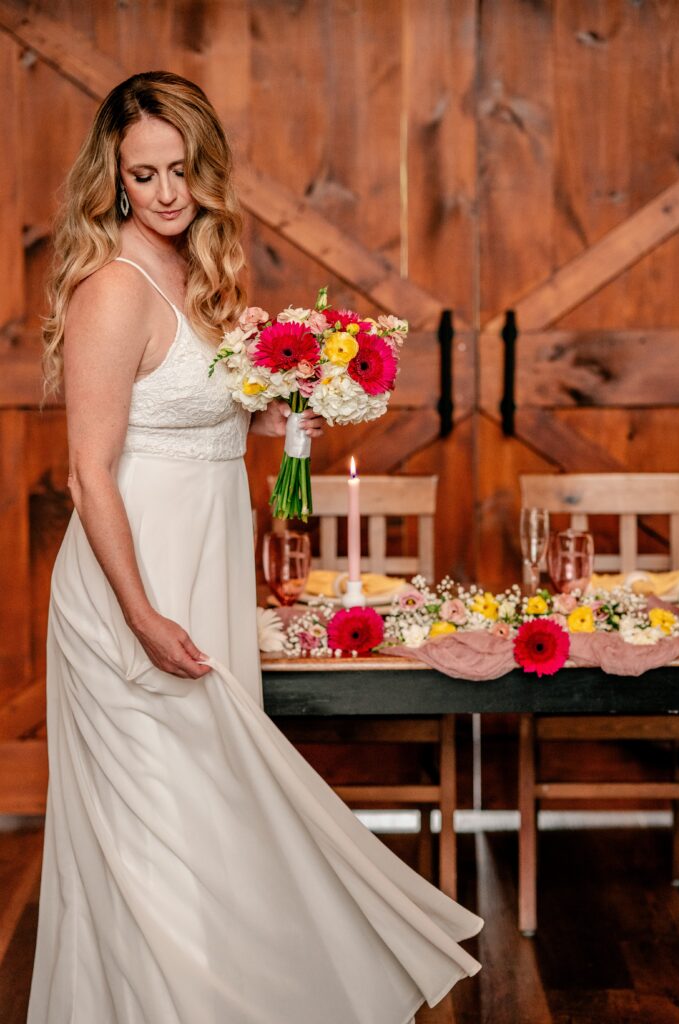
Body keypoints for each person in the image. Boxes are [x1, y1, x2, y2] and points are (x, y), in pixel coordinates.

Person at [27, 71, 482, 1024]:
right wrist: (142, 615)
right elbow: (90, 475)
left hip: (209, 562)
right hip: (134, 581)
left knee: (212, 815)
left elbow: (226, 429)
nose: (162, 193)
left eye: (179, 171)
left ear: (205, 172)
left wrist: (308, 397)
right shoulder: (114, 289)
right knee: (155, 827)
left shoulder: (203, 279)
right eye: (141, 175)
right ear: (112, 181)